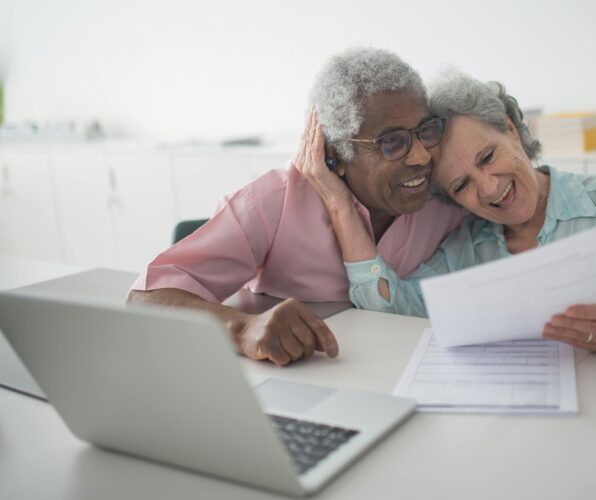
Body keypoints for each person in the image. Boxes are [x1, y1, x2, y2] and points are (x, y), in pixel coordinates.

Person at [296, 71, 596, 358]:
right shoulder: (467, 246)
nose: (490, 187)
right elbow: (390, 312)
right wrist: (339, 204)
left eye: (487, 156)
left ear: (510, 129)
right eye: (461, 186)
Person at [127, 48, 467, 366]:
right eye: (391, 142)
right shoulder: (274, 202)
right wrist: (243, 328)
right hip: (304, 377)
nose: (421, 156)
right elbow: (147, 298)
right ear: (334, 153)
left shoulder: (447, 196)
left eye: (425, 131)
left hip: (410, 369)